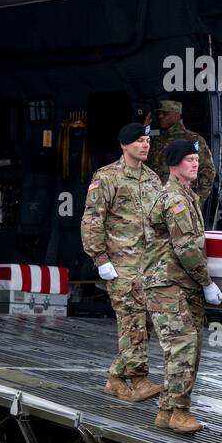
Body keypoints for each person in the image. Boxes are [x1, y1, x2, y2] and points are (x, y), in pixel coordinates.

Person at [142, 139, 222, 434]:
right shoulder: (176, 200)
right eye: (189, 159)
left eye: (196, 159)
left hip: (179, 283)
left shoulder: (187, 196)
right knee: (183, 346)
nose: (196, 164)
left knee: (188, 346)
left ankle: (166, 410)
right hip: (168, 283)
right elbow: (186, 247)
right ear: (174, 165)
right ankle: (178, 411)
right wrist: (207, 282)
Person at [81, 123, 163, 402]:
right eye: (139, 141)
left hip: (149, 264)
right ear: (124, 145)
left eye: (147, 141)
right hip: (121, 264)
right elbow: (93, 219)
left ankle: (117, 378)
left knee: (147, 323)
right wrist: (100, 258)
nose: (145, 145)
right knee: (132, 323)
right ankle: (138, 380)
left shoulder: (153, 179)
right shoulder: (107, 177)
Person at [146, 99, 215, 202]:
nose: (160, 116)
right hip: (153, 201)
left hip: (177, 202)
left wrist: (196, 201)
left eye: (165, 113)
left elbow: (208, 172)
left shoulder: (192, 139)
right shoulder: (154, 139)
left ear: (176, 114)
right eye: (159, 113)